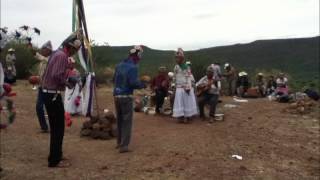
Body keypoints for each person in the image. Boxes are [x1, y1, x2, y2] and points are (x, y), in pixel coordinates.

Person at [41, 32, 81, 167]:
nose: (73, 53)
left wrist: (67, 77)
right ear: (70, 47)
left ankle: (56, 155)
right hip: (52, 95)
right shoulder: (62, 56)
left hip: (49, 93)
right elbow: (57, 75)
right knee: (58, 127)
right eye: (74, 50)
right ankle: (54, 160)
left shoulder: (56, 54)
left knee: (56, 127)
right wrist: (68, 81)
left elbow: (56, 73)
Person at [113, 45, 145, 153]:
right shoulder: (133, 67)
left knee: (120, 120)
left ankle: (119, 142)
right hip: (126, 96)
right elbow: (133, 83)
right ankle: (124, 146)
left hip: (117, 96)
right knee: (127, 121)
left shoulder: (118, 65)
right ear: (138, 55)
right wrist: (142, 84)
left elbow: (114, 79)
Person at [172, 48, 198, 123]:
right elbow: (174, 77)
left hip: (186, 88)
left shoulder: (186, 67)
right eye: (176, 58)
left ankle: (188, 117)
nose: (176, 59)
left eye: (178, 58)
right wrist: (173, 86)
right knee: (180, 102)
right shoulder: (176, 67)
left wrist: (188, 87)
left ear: (182, 58)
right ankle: (181, 116)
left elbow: (189, 78)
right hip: (178, 88)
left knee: (187, 102)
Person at [34, 41, 53, 133]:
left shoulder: (51, 59)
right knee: (39, 107)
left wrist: (33, 51)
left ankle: (54, 125)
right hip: (42, 87)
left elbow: (39, 56)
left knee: (50, 108)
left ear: (48, 50)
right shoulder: (43, 60)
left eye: (43, 49)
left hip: (49, 88)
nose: (42, 51)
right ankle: (44, 127)